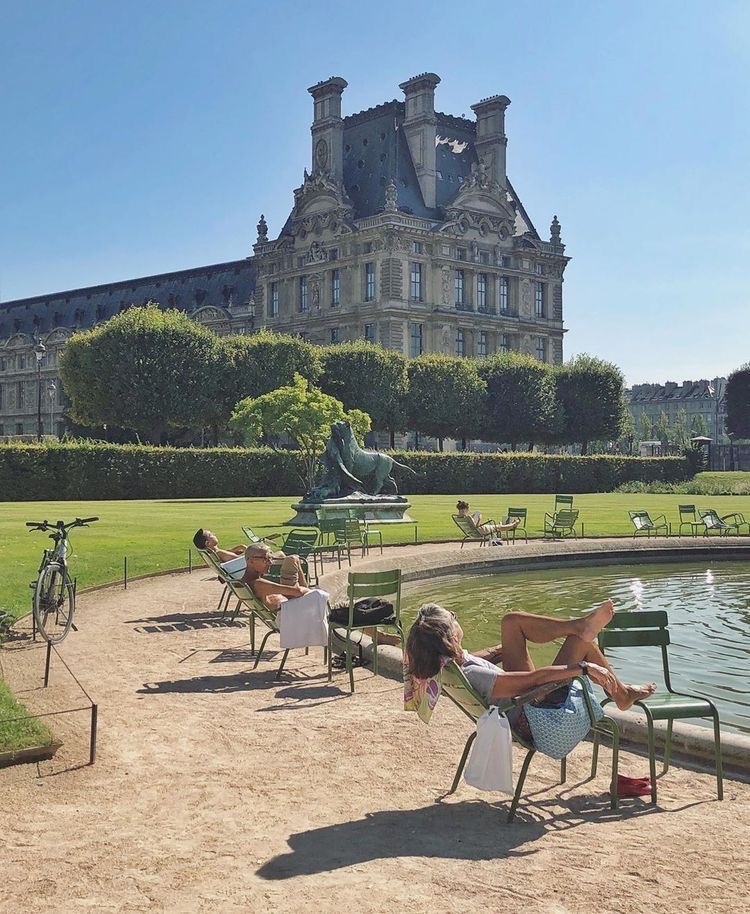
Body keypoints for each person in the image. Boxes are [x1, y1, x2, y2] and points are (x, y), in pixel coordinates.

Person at [405, 601, 656, 740]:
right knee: (581, 643)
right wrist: (582, 668)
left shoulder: (449, 666)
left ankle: (581, 629)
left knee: (511, 622)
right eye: (452, 617)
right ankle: (620, 693)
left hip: (525, 706)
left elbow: (478, 659)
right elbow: (533, 680)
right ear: (449, 636)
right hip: (536, 717)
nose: (456, 618)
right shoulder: (475, 675)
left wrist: (515, 644)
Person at [242, 542, 309, 611]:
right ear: (251, 561)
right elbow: (298, 592)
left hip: (288, 607)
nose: (270, 562)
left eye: (271, 558)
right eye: (266, 559)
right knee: (292, 559)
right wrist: (310, 591)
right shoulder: (259, 584)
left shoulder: (244, 582)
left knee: (292, 560)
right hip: (289, 612)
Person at [455, 501, 519, 540]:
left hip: (474, 532)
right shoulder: (468, 517)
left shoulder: (459, 518)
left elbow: (472, 525)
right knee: (498, 527)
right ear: (465, 509)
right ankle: (513, 525)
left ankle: (509, 525)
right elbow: (476, 526)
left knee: (497, 526)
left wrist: (474, 516)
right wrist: (479, 518)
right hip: (481, 531)